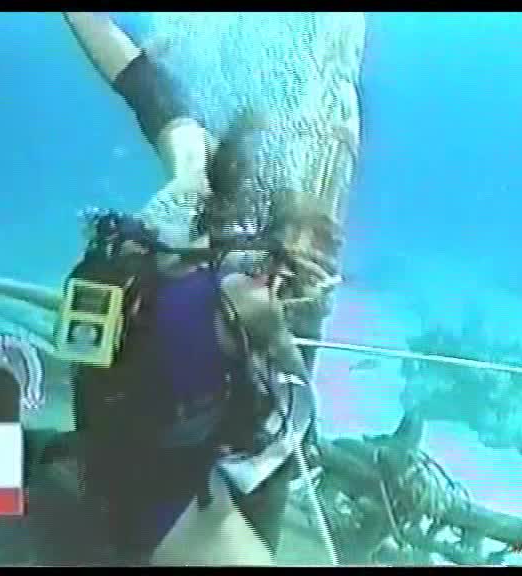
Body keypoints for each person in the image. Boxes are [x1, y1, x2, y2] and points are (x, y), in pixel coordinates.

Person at [57, 12, 342, 566]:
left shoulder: (187, 183)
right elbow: (284, 426)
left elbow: (141, 83)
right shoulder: (248, 299)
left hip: (105, 438)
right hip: (158, 497)